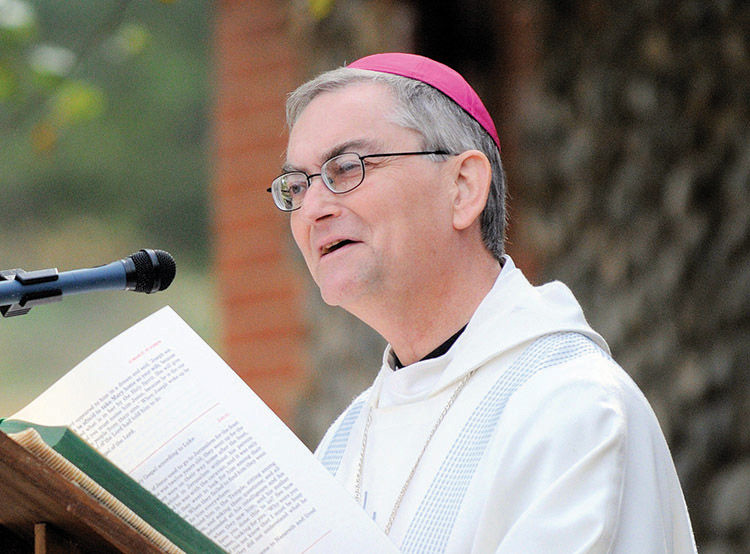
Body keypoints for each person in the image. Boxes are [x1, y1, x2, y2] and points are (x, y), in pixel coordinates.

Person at [268, 52, 697, 553]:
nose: (313, 209)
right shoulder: (343, 442)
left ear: (464, 188)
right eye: (296, 187)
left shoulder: (571, 405)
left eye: (346, 168)